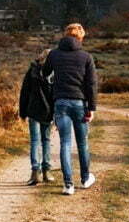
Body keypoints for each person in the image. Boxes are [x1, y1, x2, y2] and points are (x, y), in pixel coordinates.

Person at [44, 23, 98, 196]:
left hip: (60, 102)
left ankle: (68, 185)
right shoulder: (86, 57)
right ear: (80, 37)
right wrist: (92, 107)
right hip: (80, 103)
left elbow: (45, 73)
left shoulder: (54, 54)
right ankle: (85, 178)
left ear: (65, 35)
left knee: (65, 143)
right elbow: (91, 84)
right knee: (82, 143)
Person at [17, 50, 54, 185]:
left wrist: (22, 112)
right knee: (46, 140)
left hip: (33, 110)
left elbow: (24, 92)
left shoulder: (32, 71)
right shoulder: (54, 73)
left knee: (35, 141)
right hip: (48, 112)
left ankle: (35, 172)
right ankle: (46, 171)